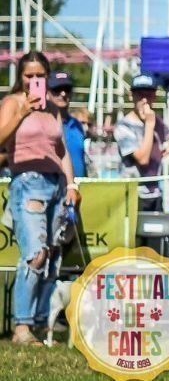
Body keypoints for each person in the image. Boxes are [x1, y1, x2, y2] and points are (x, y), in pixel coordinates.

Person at [0, 52, 81, 345]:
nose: (34, 81)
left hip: (56, 184)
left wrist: (71, 185)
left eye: (40, 76)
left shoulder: (53, 110)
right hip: (27, 181)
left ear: (47, 76)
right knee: (36, 255)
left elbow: (61, 151)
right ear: (20, 77)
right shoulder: (12, 103)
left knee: (52, 255)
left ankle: (41, 324)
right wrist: (22, 113)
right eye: (29, 76)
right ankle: (21, 326)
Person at [113, 74, 169, 211]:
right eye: (140, 95)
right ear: (132, 96)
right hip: (134, 194)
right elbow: (142, 159)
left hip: (156, 192)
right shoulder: (124, 126)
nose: (145, 100)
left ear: (155, 97)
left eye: (149, 95)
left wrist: (164, 151)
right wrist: (149, 125)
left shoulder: (158, 121)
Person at [47, 72, 86, 182]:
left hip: (78, 189)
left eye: (67, 89)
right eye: (57, 89)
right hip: (52, 189)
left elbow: (81, 159)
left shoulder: (78, 125)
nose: (63, 94)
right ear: (47, 92)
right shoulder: (41, 124)